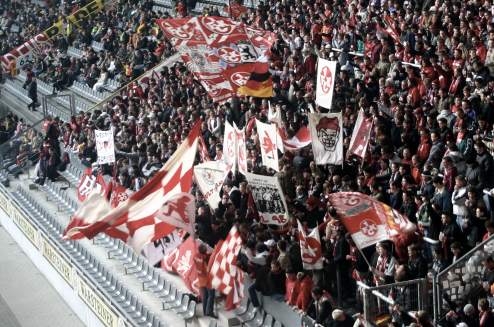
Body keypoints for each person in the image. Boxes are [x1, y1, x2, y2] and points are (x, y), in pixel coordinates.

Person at [194, 243, 216, 318]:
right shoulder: (205, 258)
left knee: (205, 296)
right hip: (207, 279)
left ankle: (205, 311)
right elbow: (209, 259)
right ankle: (209, 312)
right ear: (203, 250)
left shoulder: (196, 256)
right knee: (211, 295)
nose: (206, 249)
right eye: (205, 248)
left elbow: (205, 255)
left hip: (200, 279)